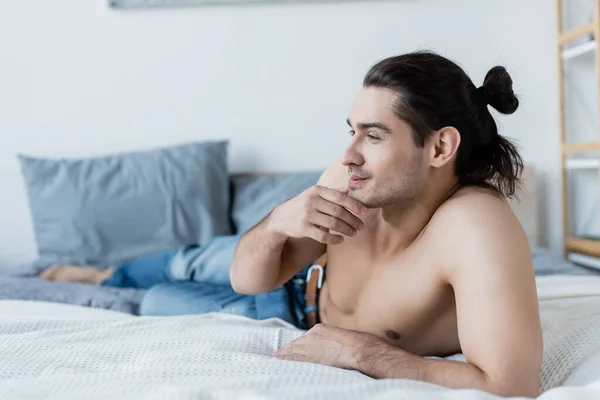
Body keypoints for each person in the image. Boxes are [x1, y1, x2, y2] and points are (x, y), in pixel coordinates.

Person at [41, 50, 542, 397]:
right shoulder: (351, 181)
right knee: (189, 259)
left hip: (291, 318)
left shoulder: (477, 227)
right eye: (351, 131)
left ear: (439, 147)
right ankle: (103, 273)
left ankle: (112, 281)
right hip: (294, 284)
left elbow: (510, 385)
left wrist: (364, 352)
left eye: (373, 135)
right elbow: (249, 275)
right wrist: (280, 223)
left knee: (157, 301)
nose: (347, 154)